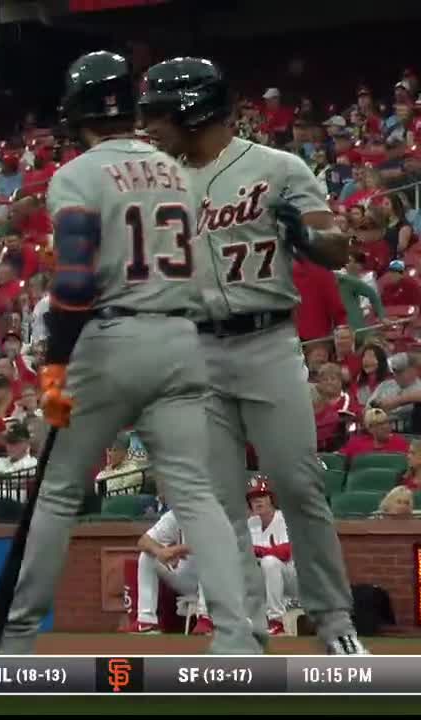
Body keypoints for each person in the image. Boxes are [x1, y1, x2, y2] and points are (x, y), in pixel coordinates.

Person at [0, 52, 258, 655]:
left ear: (75, 108)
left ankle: (14, 638)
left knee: (60, 491)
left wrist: (57, 362)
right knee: (197, 493)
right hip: (179, 338)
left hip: (110, 339)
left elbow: (76, 281)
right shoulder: (175, 169)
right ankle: (237, 638)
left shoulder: (78, 174)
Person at [141, 56, 367, 654]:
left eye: (160, 112)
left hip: (267, 340)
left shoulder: (277, 167)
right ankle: (240, 633)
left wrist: (310, 238)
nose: (152, 126)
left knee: (298, 485)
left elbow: (338, 247)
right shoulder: (155, 180)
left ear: (193, 107)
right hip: (193, 348)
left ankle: (336, 624)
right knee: (216, 502)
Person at [130, 505, 203, 634]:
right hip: (187, 578)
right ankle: (146, 620)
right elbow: (143, 541)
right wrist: (161, 552)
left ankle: (205, 619)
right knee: (147, 555)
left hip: (216, 583)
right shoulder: (175, 515)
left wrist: (176, 550)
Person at [246, 476, 296, 636]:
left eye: (262, 497)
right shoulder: (251, 523)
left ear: (271, 499)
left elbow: (286, 550)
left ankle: (277, 621)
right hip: (267, 581)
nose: (257, 502)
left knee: (269, 562)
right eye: (253, 499)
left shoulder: (286, 518)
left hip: (293, 578)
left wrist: (258, 551)